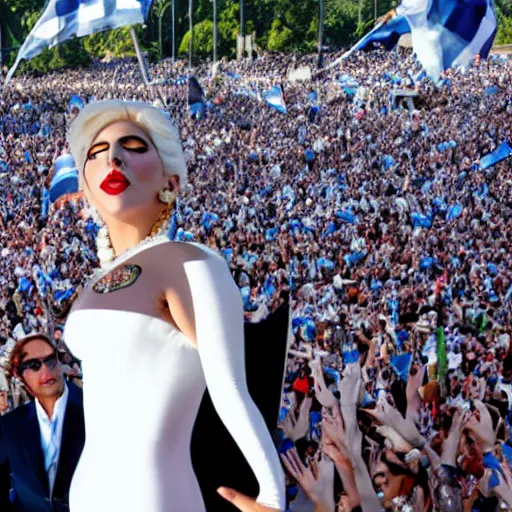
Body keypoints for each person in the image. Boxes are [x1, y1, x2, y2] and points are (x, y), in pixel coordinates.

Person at [64, 100, 285, 512]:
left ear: (171, 179)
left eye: (132, 146)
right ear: (86, 185)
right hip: (85, 493)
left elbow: (232, 389)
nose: (112, 158)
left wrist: (271, 495)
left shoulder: (191, 261)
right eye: (97, 154)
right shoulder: (93, 280)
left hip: (154, 495)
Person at [0, 333, 85, 511]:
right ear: (19, 375)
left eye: (50, 360)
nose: (46, 371)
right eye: (34, 365)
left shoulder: (93, 411)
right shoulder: (10, 426)